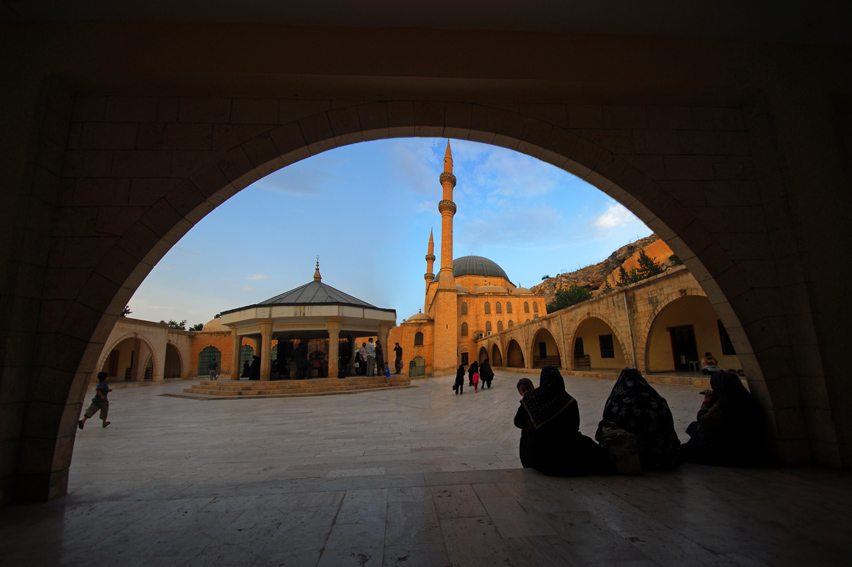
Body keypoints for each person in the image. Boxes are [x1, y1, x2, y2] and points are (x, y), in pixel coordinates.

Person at [513, 366, 611, 476]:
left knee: (528, 434)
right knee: (594, 452)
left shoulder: (531, 400)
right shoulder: (569, 401)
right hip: (567, 448)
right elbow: (574, 428)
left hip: (539, 454)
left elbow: (518, 422)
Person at [598, 368, 681, 469]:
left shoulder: (616, 404)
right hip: (665, 457)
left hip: (630, 457)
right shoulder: (658, 401)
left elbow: (607, 426)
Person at [681, 371, 766, 466]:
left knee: (694, 437)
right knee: (693, 426)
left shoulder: (725, 405)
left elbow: (703, 421)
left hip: (731, 452)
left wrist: (706, 403)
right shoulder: (745, 399)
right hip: (749, 448)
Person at [515, 378, 535, 467]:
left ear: (533, 388)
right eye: (523, 390)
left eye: (528, 389)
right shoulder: (524, 404)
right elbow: (517, 421)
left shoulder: (535, 402)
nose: (527, 392)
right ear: (520, 393)